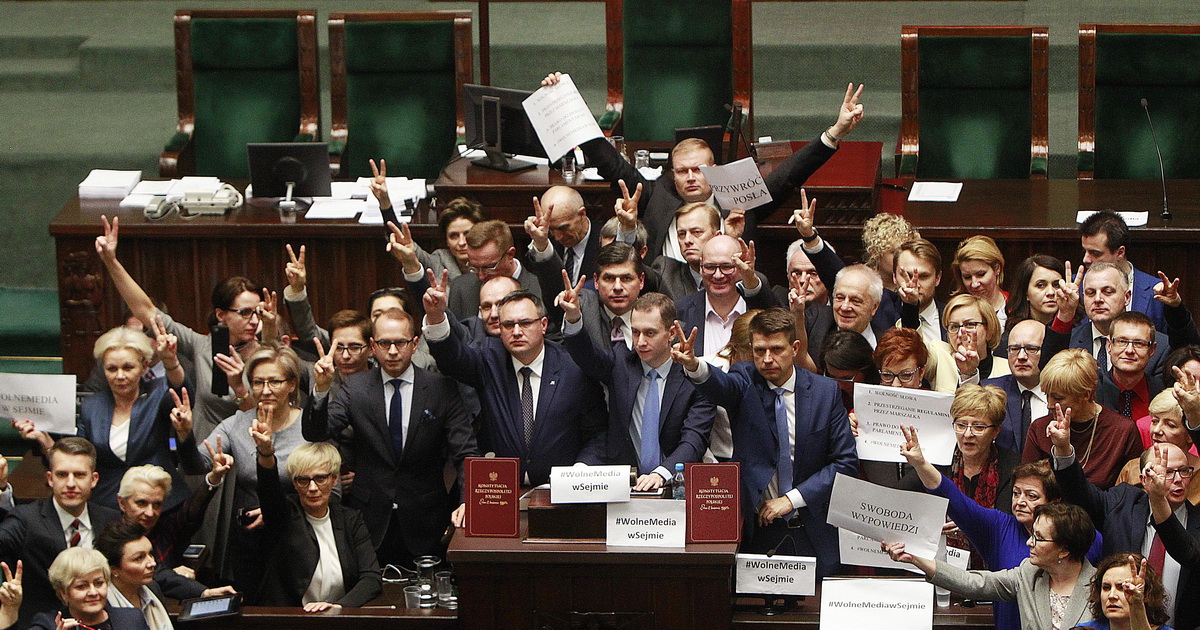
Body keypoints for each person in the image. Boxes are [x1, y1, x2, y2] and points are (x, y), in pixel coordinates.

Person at [551, 70, 865, 264]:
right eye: (682, 171)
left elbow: (789, 174)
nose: (690, 177)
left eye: (698, 170)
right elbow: (611, 164)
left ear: (714, 168)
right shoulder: (656, 194)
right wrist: (565, 103)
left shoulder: (739, 198)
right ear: (672, 174)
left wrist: (835, 132)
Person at [678, 308, 858, 577]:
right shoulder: (744, 379)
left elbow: (845, 462)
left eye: (776, 349)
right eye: (759, 350)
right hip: (758, 531)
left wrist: (791, 500)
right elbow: (721, 385)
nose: (767, 359)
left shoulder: (824, 392)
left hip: (812, 528)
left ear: (795, 348)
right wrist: (694, 365)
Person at [303, 308, 478, 567]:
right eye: (385, 343)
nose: (393, 351)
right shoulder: (355, 388)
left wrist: (468, 501)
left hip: (426, 518)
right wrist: (321, 389)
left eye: (400, 343)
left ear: (415, 344)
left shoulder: (441, 388)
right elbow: (316, 433)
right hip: (370, 520)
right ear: (373, 346)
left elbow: (465, 453)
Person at [899, 427, 1102, 630]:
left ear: (1054, 501)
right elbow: (955, 500)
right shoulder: (1000, 529)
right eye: (1016, 493)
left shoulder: (1086, 538)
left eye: (1031, 496)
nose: (1020, 502)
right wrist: (921, 464)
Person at [95, 216, 268, 441]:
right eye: (244, 312)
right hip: (205, 450)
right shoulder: (202, 346)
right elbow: (146, 310)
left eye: (257, 312)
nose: (253, 320)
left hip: (252, 445)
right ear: (221, 315)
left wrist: (240, 390)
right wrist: (111, 261)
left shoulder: (266, 353)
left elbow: (265, 416)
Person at [424, 279, 606, 486]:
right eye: (509, 325)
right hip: (501, 490)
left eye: (525, 323)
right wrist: (436, 317)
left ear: (543, 325)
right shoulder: (488, 359)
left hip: (562, 492)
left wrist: (579, 474)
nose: (517, 332)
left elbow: (597, 433)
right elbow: (452, 359)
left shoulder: (573, 367)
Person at [177, 344, 310, 593]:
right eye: (258, 383)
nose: (265, 390)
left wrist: (279, 510)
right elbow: (196, 465)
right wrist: (185, 435)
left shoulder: (309, 426)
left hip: (299, 536)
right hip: (250, 541)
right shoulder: (237, 424)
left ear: (292, 384)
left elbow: (330, 490)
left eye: (275, 382)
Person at [17, 324, 191, 512]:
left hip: (159, 505)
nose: (120, 376)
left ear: (143, 367)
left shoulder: (158, 395)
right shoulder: (92, 406)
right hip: (108, 505)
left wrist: (170, 361)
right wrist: (45, 440)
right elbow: (78, 457)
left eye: (128, 367)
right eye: (112, 369)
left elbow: (182, 393)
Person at [562, 290, 715, 489]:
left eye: (650, 333)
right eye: (635, 332)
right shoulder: (620, 364)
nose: (640, 342)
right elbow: (587, 356)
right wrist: (574, 318)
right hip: (625, 486)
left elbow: (694, 439)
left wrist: (662, 473)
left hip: (677, 485)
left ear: (671, 334)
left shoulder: (694, 378)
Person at [1051, 430, 1200, 629]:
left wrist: (1158, 500)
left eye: (1184, 471)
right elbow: (1081, 496)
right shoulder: (1122, 503)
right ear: (1144, 479)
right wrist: (1063, 450)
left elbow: (1188, 554)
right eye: (1167, 472)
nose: (1178, 479)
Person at [883, 502, 1099, 630]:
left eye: (1039, 538)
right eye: (1032, 534)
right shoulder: (1029, 574)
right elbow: (975, 583)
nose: (1029, 542)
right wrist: (916, 559)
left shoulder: (1101, 586)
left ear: (1064, 550)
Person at [0, 438, 120, 630]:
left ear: (94, 479)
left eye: (79, 475)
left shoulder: (111, 520)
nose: (70, 483)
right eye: (62, 475)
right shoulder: (26, 520)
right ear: (50, 479)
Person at [251, 435, 381, 611]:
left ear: (334, 480)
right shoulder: (284, 515)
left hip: (338, 616)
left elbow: (371, 578)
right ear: (294, 484)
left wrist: (338, 607)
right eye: (303, 480)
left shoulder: (350, 519)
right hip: (291, 617)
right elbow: (269, 491)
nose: (312, 488)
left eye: (320, 479)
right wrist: (266, 454)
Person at [116, 463, 235, 603]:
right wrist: (175, 576)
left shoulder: (164, 525)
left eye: (157, 504)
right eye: (141, 503)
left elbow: (191, 513)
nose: (150, 513)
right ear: (122, 503)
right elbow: (156, 574)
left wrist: (214, 478)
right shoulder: (113, 535)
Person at [1023, 349, 1143, 489]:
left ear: (1086, 394)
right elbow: (1026, 485)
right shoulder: (1040, 428)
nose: (1049, 405)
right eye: (1047, 395)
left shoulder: (1122, 431)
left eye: (1058, 398)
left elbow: (1133, 494)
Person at [1043, 262, 1168, 383]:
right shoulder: (1069, 341)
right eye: (1090, 293)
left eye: (1107, 292)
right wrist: (1065, 313)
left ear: (1127, 297)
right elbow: (1047, 374)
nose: (1098, 299)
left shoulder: (1159, 347)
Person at [370, 160, 482, 280]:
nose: (461, 242)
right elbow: (401, 241)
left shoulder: (490, 261)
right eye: (454, 236)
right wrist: (385, 203)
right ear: (447, 241)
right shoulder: (439, 260)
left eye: (467, 234)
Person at [675, 235, 778, 357]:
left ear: (741, 266)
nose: (718, 275)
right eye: (710, 267)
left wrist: (750, 279)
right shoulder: (679, 311)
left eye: (727, 267)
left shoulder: (763, 309)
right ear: (701, 266)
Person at [549, 242, 646, 351]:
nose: (617, 287)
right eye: (609, 278)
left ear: (641, 281)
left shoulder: (655, 317)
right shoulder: (584, 313)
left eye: (626, 279)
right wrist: (573, 317)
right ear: (596, 281)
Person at [1079, 210, 1166, 332]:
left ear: (1120, 252)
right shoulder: (1073, 287)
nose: (1086, 259)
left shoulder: (1156, 291)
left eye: (1095, 253)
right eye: (1085, 251)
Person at [446, 220, 544, 319]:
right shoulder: (460, 288)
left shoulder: (541, 290)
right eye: (474, 267)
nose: (481, 276)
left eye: (488, 267)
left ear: (510, 255)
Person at [30, 548, 147, 630]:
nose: (93, 592)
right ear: (63, 592)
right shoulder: (47, 624)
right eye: (81, 586)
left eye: (99, 583)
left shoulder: (132, 618)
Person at [804, 264, 891, 367]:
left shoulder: (886, 345)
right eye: (840, 298)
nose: (845, 307)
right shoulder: (816, 326)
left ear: (874, 307)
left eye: (855, 301)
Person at [985, 319, 1051, 454]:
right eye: (1014, 349)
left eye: (1031, 349)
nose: (1021, 356)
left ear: (1047, 351)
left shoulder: (1064, 395)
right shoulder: (990, 391)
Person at [94, 520, 170, 630]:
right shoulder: (101, 605)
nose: (152, 563)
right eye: (139, 558)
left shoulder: (153, 588)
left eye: (150, 554)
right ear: (114, 569)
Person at [524, 185, 602, 285]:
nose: (557, 237)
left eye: (563, 228)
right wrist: (540, 243)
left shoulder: (604, 241)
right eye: (551, 229)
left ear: (582, 214)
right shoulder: (546, 244)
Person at [1074, 553, 1173, 630]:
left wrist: (1137, 605)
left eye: (1122, 588)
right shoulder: (1085, 629)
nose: (1112, 595)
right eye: (1106, 588)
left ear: (1146, 595)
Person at [1096, 312, 1166, 420]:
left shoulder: (1163, 392)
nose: (1129, 350)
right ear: (1109, 346)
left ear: (1152, 350)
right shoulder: (1093, 391)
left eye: (1139, 343)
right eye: (1122, 341)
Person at [946, 293, 1011, 385]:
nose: (960, 334)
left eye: (970, 324)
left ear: (989, 330)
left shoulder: (1008, 369)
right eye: (954, 326)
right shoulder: (940, 361)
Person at [896, 238, 949, 345]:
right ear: (894, 276)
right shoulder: (882, 317)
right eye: (907, 275)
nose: (915, 285)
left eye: (924, 276)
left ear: (937, 278)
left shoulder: (951, 318)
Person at [952, 235, 1009, 330]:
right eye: (967, 277)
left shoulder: (1015, 307)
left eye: (981, 274)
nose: (974, 284)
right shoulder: (956, 312)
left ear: (997, 268)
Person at [1005, 254, 1072, 333]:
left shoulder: (1078, 331)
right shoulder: (1016, 332)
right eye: (1040, 285)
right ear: (1026, 292)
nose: (1051, 292)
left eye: (1056, 285)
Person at [818, 329, 878, 412]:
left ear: (865, 370)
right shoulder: (822, 391)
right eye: (832, 377)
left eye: (847, 378)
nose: (840, 386)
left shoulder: (880, 392)